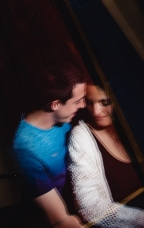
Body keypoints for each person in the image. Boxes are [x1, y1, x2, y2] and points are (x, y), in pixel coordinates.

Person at [68, 83, 144, 227]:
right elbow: (90, 208)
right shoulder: (82, 137)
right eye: (90, 103)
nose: (95, 111)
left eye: (105, 102)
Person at [12, 63, 88, 227]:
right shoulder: (26, 149)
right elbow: (61, 221)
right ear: (55, 104)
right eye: (77, 101)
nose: (83, 105)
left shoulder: (65, 118)